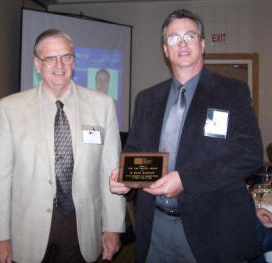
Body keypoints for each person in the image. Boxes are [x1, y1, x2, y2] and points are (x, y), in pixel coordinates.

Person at [110, 9, 263, 263]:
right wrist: (124, 181)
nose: (182, 43)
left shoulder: (232, 92)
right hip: (155, 229)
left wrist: (185, 179)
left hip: (213, 230)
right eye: (174, 38)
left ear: (202, 45)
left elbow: (249, 154)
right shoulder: (147, 99)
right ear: (165, 49)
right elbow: (135, 153)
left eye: (190, 36)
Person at [0, 29, 126, 263]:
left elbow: (111, 172)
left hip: (82, 228)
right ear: (37, 64)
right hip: (28, 230)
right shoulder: (10, 109)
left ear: (74, 60)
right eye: (50, 58)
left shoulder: (102, 106)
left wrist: (113, 227)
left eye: (66, 57)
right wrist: (0, 238)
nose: (59, 65)